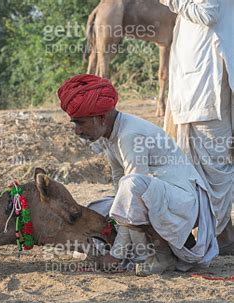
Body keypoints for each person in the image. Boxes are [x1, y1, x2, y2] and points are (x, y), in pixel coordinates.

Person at [58, 74, 219, 275]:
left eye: (80, 123)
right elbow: (119, 184)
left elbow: (132, 191)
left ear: (101, 118)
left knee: (131, 187)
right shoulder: (110, 134)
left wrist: (116, 254)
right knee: (97, 209)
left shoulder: (130, 135)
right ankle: (132, 251)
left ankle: (161, 256)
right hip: (158, 196)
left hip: (183, 203)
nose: (77, 131)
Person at [160, 0, 234, 254]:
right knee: (201, 162)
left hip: (206, 83)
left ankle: (221, 234)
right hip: (198, 81)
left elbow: (208, 13)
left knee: (213, 164)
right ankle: (220, 231)